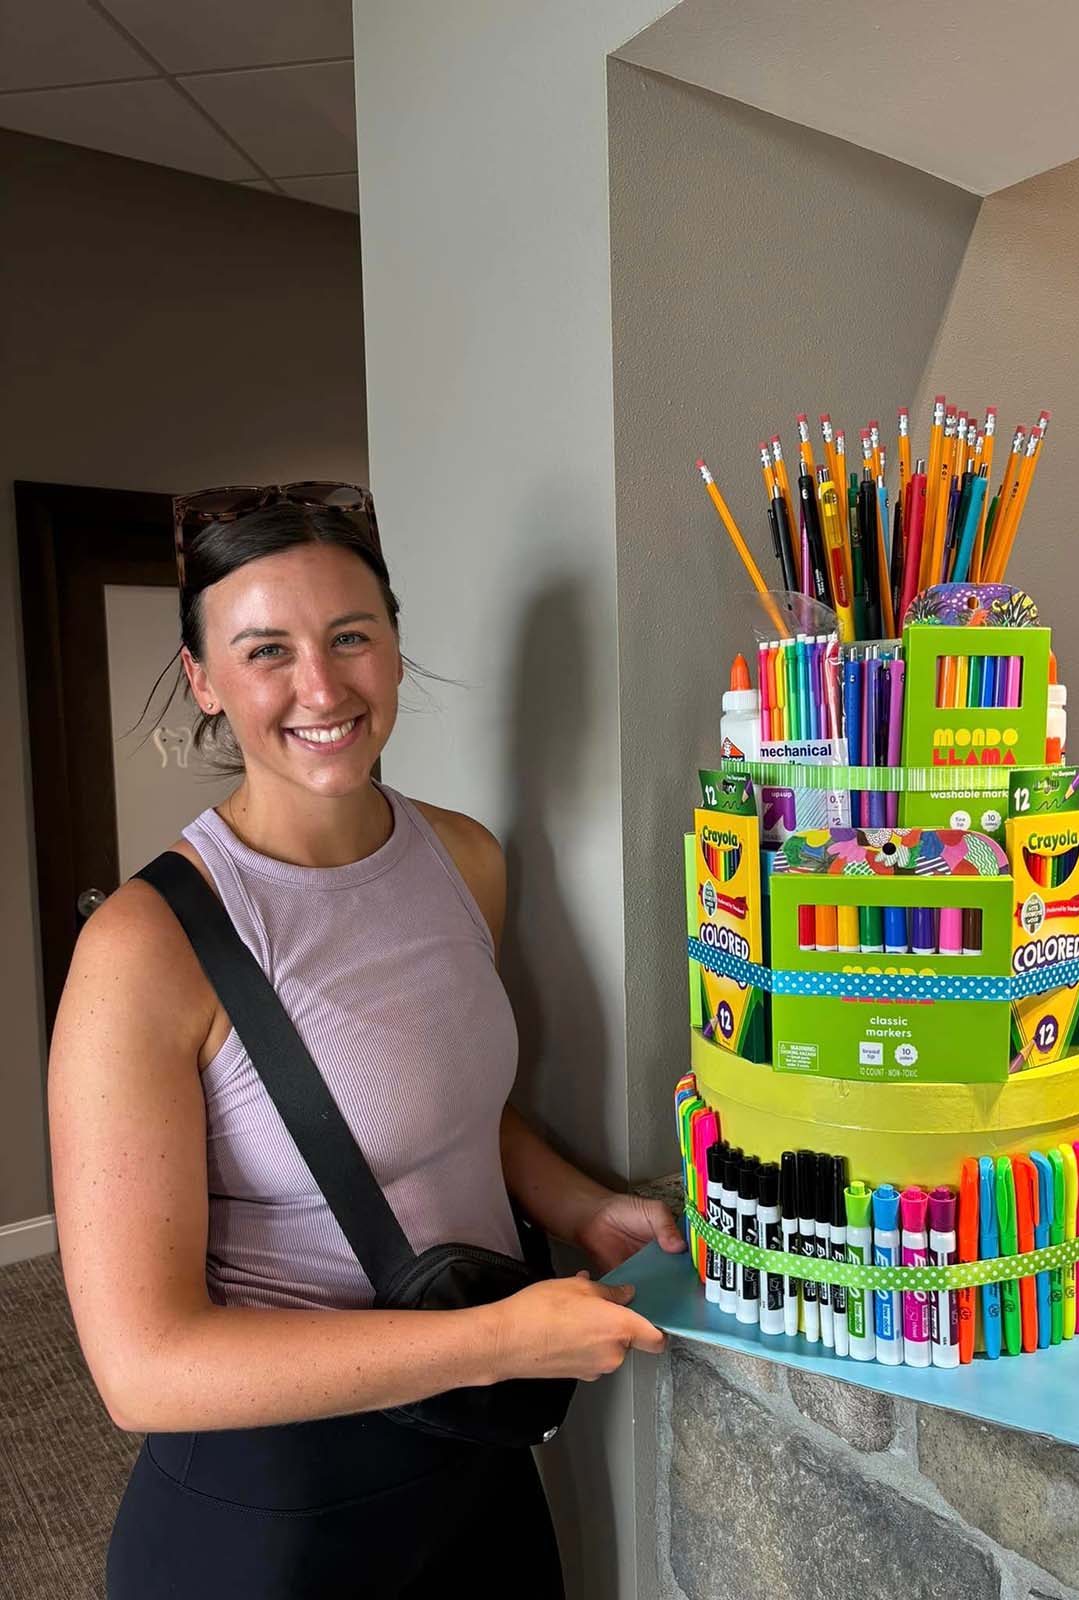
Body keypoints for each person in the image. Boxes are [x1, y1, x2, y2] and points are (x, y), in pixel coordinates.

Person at [48, 484, 683, 1599]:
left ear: (393, 640)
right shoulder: (144, 949)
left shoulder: (463, 859)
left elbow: (441, 1104)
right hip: (274, 1518)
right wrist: (500, 1341)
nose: (323, 687)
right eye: (266, 651)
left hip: (474, 1467)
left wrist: (578, 1204)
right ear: (202, 679)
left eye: (351, 636)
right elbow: (143, 1370)